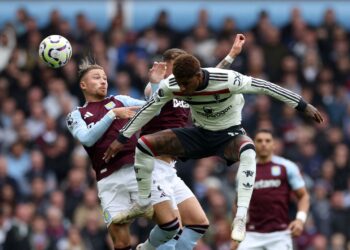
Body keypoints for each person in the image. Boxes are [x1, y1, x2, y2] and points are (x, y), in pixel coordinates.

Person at [103, 49, 323, 244]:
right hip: (200, 134)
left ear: (198, 76)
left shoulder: (230, 80)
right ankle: (143, 202)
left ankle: (240, 218)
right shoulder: (172, 85)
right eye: (178, 82)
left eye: (185, 83)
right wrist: (122, 137)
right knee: (144, 144)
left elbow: (266, 87)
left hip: (228, 135)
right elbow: (149, 109)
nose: (181, 88)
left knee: (249, 150)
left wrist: (303, 105)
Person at [138, 34, 246, 250]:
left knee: (198, 223)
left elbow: (211, 77)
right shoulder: (156, 87)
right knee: (173, 227)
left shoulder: (187, 88)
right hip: (153, 164)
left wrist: (231, 55)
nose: (181, 73)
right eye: (175, 68)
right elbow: (151, 104)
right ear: (164, 67)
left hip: (170, 167)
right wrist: (154, 80)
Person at [66, 59, 181, 250]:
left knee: (171, 225)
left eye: (104, 77)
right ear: (83, 85)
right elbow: (87, 139)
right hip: (108, 181)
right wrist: (112, 115)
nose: (103, 81)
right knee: (121, 243)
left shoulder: (120, 100)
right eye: (96, 77)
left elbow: (154, 108)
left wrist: (154, 83)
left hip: (137, 172)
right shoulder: (76, 115)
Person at [232, 129, 310, 250]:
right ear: (254, 144)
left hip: (280, 234)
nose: (263, 144)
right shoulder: (245, 171)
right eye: (259, 141)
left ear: (274, 145)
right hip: (252, 234)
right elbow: (238, 204)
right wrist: (236, 233)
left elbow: (303, 196)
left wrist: (300, 220)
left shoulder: (287, 167)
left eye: (267, 141)